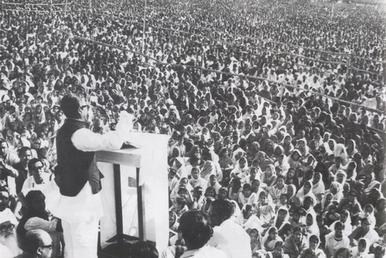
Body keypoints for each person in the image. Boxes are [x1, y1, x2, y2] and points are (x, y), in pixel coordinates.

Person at [53, 94, 133, 258]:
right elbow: (113, 142)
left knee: (72, 245)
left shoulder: (64, 130)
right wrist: (125, 119)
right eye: (87, 107)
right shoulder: (80, 134)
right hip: (81, 199)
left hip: (70, 195)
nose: (89, 111)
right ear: (80, 110)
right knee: (84, 245)